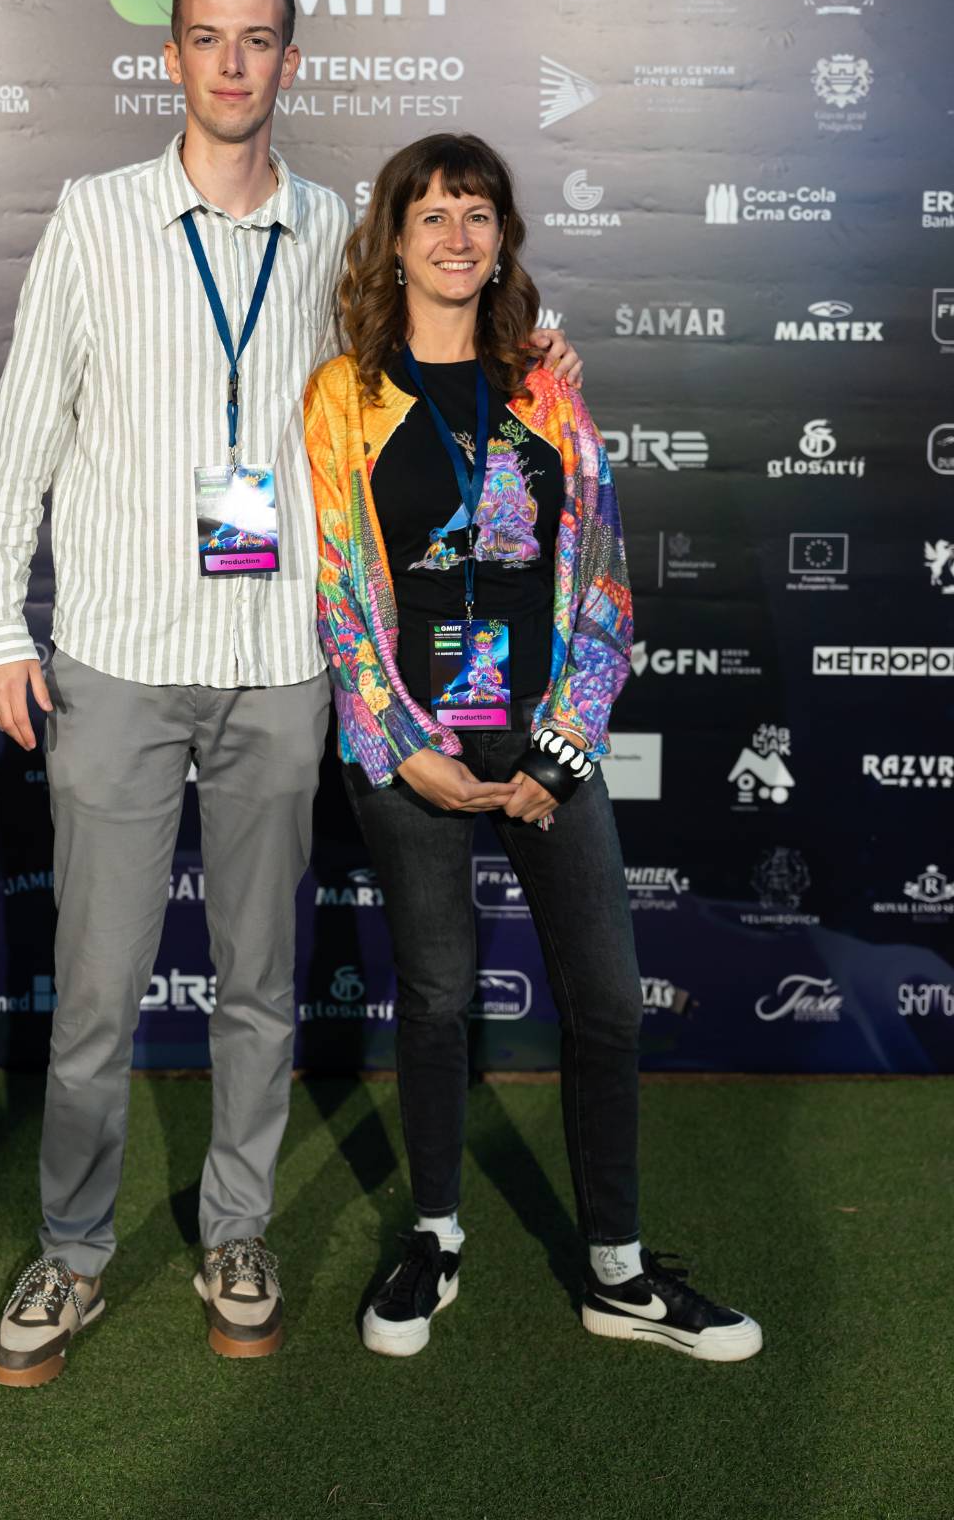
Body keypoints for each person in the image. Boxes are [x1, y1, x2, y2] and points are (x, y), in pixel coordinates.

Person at [0, 0, 582, 1384]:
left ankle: (236, 1233)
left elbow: (437, 354)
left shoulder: (339, 238)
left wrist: (530, 350)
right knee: (96, 991)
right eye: (206, 39)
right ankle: (73, 1254)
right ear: (169, 58)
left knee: (258, 983)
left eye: (257, 41)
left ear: (290, 63)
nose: (232, 65)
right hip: (117, 657)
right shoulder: (96, 217)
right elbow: (18, 440)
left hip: (280, 666)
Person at [304, 131, 762, 1364]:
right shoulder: (343, 394)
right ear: (392, 242)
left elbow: (600, 570)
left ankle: (616, 1272)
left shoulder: (543, 387)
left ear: (501, 239)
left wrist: (561, 749)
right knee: (436, 998)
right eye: (431, 215)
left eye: (478, 215)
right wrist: (401, 745)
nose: (456, 237)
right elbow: (337, 590)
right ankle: (434, 1237)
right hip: (410, 749)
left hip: (543, 740)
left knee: (604, 1002)